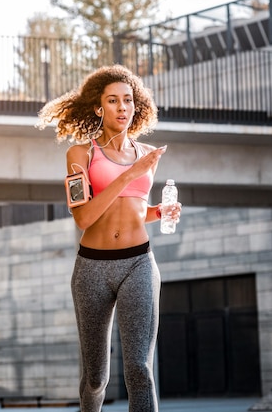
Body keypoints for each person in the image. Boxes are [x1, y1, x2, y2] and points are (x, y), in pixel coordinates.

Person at [36, 64, 181, 412]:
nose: (122, 107)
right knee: (95, 377)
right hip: (92, 269)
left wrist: (158, 212)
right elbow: (85, 216)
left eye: (127, 100)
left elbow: (133, 208)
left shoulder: (146, 156)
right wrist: (130, 173)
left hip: (139, 264)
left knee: (138, 368)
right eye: (113, 100)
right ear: (99, 107)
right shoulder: (80, 155)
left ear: (136, 106)